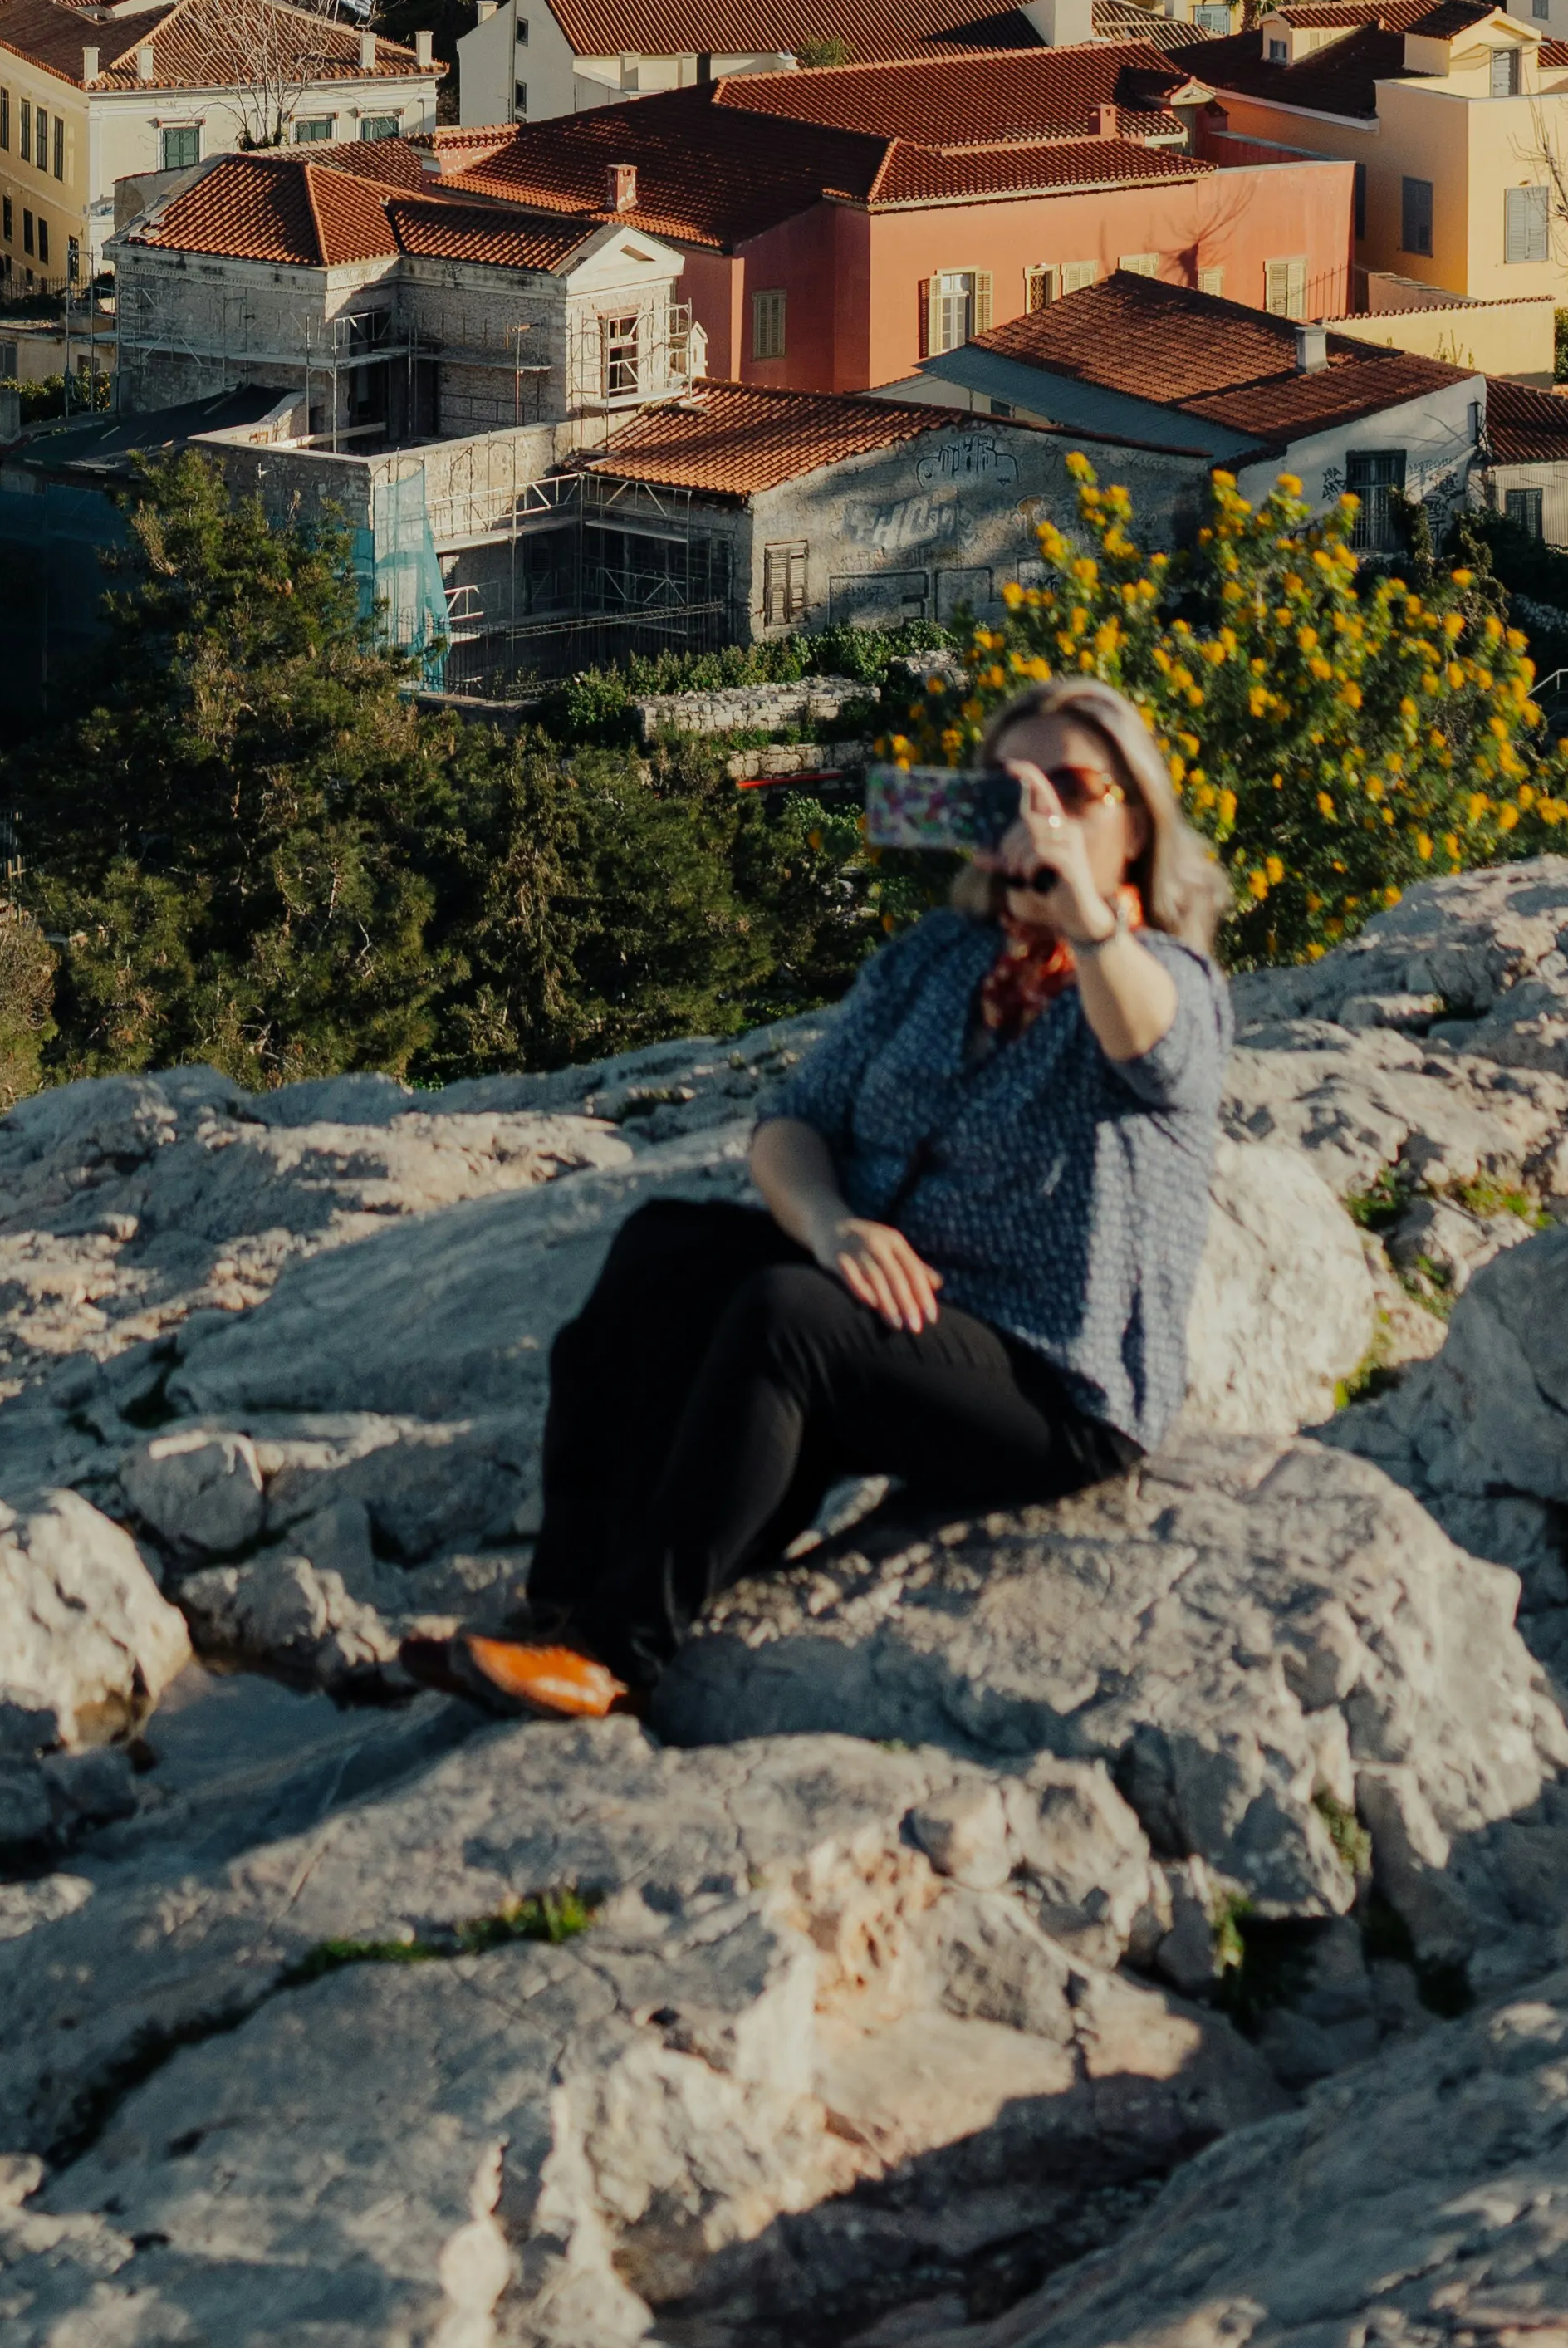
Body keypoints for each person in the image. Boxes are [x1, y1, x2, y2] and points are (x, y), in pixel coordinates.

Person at [454, 677, 1229, 1726]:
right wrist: (830, 1223)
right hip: (898, 1318)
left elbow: (1159, 1054)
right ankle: (560, 1598)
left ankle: (617, 1648)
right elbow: (791, 1121)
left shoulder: (1166, 977)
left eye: (1072, 789)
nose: (1037, 808)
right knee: (662, 1249)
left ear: (1133, 819)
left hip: (1054, 1381)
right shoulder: (937, 958)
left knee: (789, 1319)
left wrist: (1084, 915)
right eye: (1007, 786)